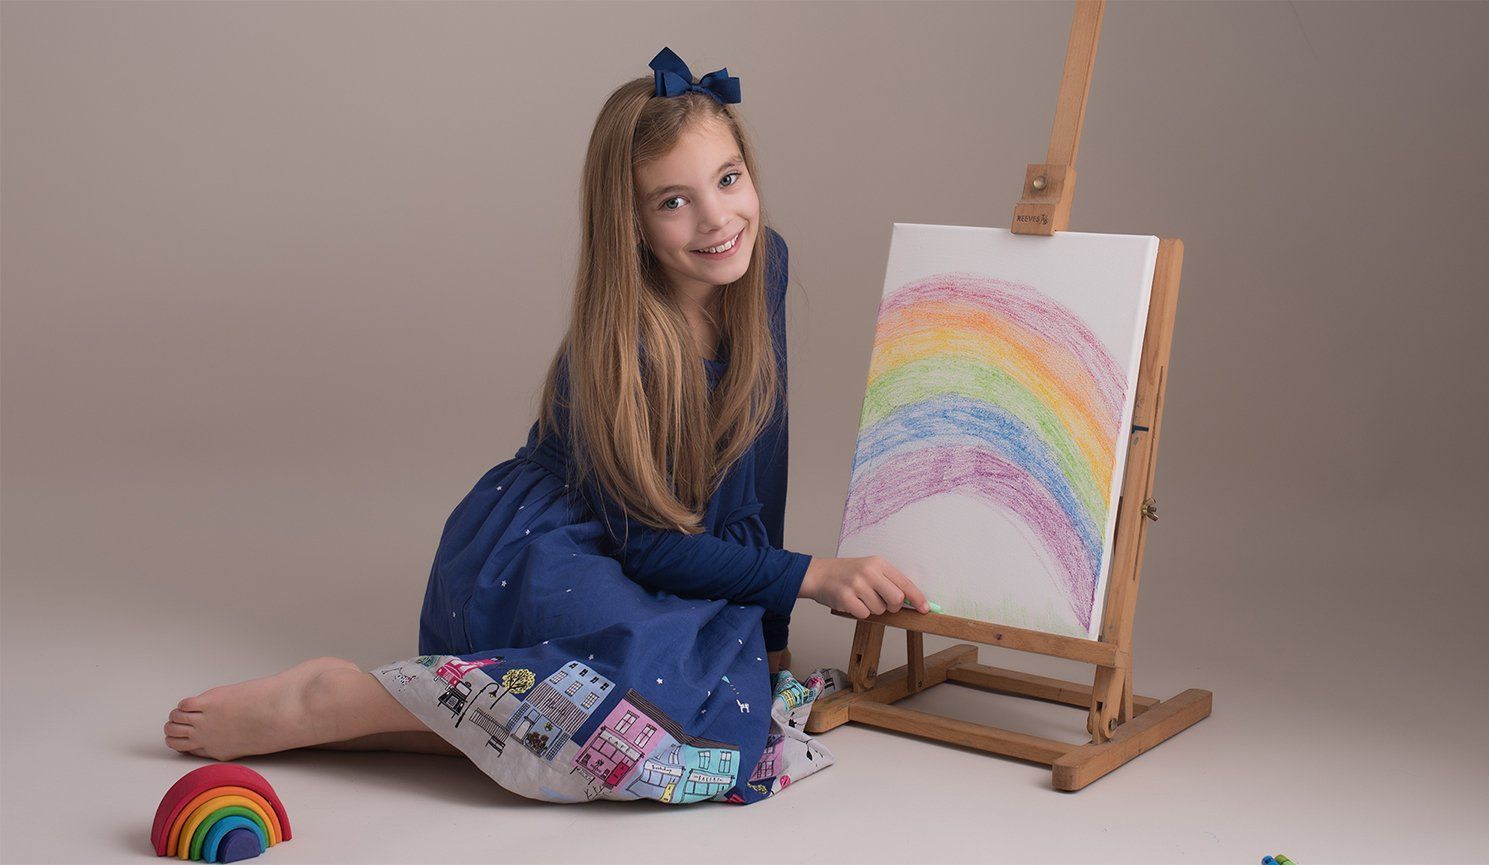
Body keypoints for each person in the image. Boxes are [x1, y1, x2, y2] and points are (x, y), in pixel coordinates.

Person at [162, 46, 928, 806]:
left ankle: (371, 719)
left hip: (665, 545)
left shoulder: (763, 264)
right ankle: (334, 704)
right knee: (647, 704)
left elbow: (763, 448)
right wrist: (809, 572)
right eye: (673, 201)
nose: (716, 218)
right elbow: (645, 545)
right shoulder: (621, 346)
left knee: (714, 696)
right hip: (557, 547)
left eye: (727, 180)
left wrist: (770, 624)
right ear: (628, 222)